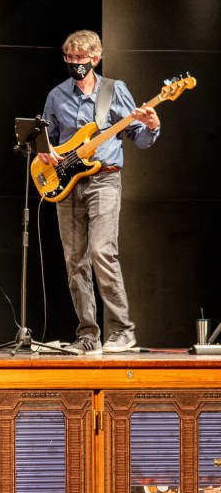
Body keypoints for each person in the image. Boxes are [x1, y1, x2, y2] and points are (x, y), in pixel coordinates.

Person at [37, 30, 160, 355]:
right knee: (74, 260)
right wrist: (44, 151)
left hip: (104, 179)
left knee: (102, 251)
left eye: (81, 58)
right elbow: (43, 137)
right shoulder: (56, 95)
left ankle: (122, 330)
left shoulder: (113, 91)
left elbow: (138, 136)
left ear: (96, 58)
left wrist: (151, 126)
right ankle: (88, 335)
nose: (75, 64)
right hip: (66, 184)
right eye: (70, 58)